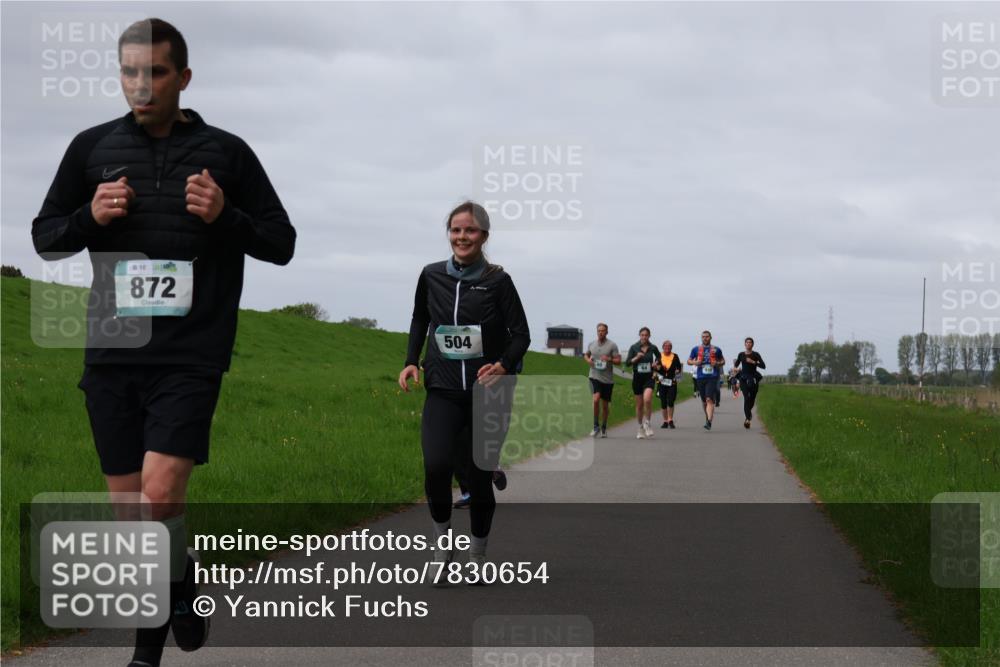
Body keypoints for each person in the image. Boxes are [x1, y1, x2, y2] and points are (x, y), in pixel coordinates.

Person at [30, 19, 296, 667]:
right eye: (129, 72)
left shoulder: (226, 153)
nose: (140, 86)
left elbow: (281, 243)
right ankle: (181, 582)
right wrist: (88, 217)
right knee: (133, 517)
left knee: (157, 495)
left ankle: (144, 656)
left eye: (154, 72)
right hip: (112, 353)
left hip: (190, 353)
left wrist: (224, 215)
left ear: (183, 76)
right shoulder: (89, 148)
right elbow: (46, 235)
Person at [399, 201, 529, 574]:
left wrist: (503, 365)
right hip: (442, 387)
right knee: (436, 466)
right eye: (456, 230)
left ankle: (477, 553)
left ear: (484, 236)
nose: (462, 237)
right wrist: (410, 360)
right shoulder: (431, 275)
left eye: (470, 230)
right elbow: (420, 318)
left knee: (477, 476)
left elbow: (521, 335)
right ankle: (443, 545)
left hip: (488, 392)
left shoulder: (498, 282)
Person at [584, 322, 621, 438]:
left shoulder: (612, 345)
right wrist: (588, 360)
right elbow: (586, 355)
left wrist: (609, 359)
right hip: (594, 376)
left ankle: (604, 427)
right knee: (595, 400)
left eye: (603, 331)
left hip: (607, 379)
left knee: (605, 406)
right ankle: (595, 426)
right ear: (597, 332)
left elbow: (619, 361)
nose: (600, 332)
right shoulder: (592, 344)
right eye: (599, 330)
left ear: (607, 332)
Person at [687, 331, 725, 430]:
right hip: (700, 377)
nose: (705, 338)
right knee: (704, 401)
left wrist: (716, 363)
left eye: (707, 337)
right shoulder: (696, 349)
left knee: (709, 399)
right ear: (701, 338)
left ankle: (709, 421)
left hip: (713, 376)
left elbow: (723, 361)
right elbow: (688, 361)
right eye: (703, 337)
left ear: (710, 337)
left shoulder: (716, 349)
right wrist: (696, 362)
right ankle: (708, 417)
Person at [625, 327, 658, 439]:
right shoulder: (634, 347)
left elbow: (660, 359)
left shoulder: (653, 347)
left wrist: (656, 365)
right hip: (638, 378)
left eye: (646, 335)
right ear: (639, 335)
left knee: (647, 399)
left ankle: (647, 423)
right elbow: (628, 363)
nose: (644, 337)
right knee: (639, 405)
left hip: (649, 377)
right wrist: (637, 357)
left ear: (649, 336)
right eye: (642, 335)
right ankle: (640, 428)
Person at [733, 337, 766, 428]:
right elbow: (735, 367)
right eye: (747, 342)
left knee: (752, 399)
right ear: (745, 344)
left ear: (752, 344)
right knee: (746, 398)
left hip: (754, 377)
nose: (748, 344)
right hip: (743, 378)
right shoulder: (741, 354)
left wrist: (753, 362)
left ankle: (748, 413)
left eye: (750, 342)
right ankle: (747, 419)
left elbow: (763, 366)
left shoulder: (756, 354)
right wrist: (737, 369)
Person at [655, 340, 684, 428]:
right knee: (663, 401)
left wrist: (677, 370)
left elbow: (679, 367)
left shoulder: (675, 356)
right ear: (662, 347)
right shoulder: (659, 356)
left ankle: (670, 419)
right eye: (665, 346)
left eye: (669, 346)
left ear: (671, 348)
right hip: (661, 381)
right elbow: (655, 368)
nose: (667, 348)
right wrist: (658, 367)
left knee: (671, 401)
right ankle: (665, 421)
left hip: (672, 381)